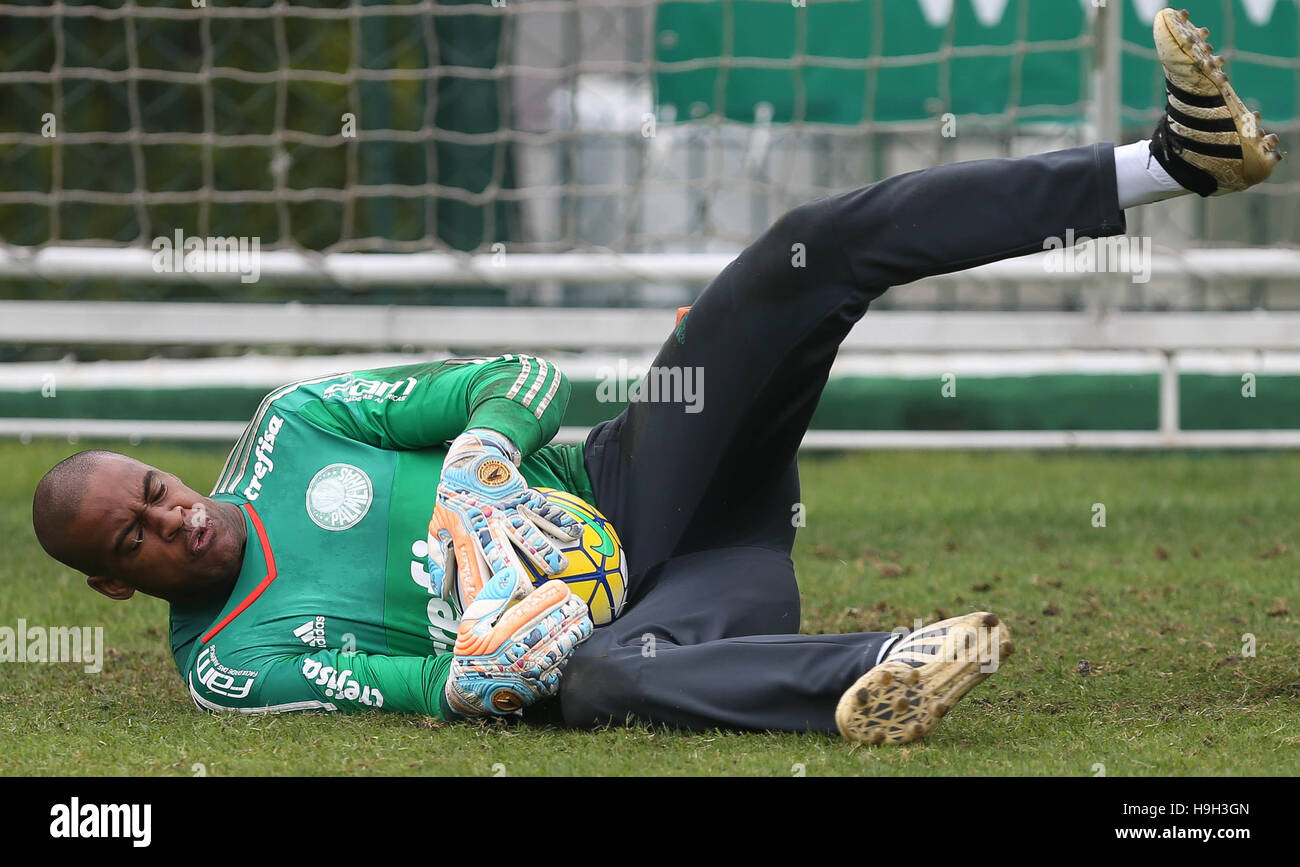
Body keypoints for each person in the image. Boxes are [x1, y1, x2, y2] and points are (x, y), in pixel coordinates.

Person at [31, 8, 1281, 745]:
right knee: (597, 687)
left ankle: (1167, 163)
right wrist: (490, 652)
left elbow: (512, 372)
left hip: (638, 475)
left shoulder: (293, 428)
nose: (170, 516)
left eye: (150, 488)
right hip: (662, 607)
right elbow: (432, 688)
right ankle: (886, 664)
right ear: (111, 586)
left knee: (804, 246)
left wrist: (482, 462)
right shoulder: (233, 663)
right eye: (135, 538)